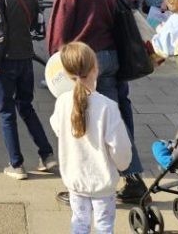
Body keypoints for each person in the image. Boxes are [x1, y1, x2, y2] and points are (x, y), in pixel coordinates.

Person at [46, 0, 147, 203]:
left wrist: (55, 61)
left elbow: (59, 29)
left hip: (84, 61)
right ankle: (132, 176)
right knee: (114, 116)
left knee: (83, 122)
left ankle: (88, 183)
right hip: (110, 57)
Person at [0, 0, 57, 179]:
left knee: (7, 112)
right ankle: (47, 153)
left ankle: (16, 164)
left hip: (6, 60)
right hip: (26, 57)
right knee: (26, 107)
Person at [50, 42, 133, 234]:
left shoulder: (62, 102)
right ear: (95, 68)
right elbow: (120, 148)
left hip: (75, 178)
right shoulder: (107, 107)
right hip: (102, 181)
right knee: (104, 226)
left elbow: (57, 128)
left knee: (79, 224)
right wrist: (123, 166)